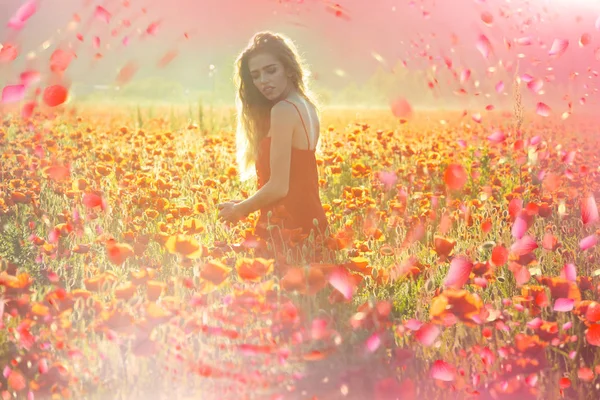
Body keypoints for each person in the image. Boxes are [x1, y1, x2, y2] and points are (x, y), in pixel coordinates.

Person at [217, 31, 332, 265]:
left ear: (289, 69)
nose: (263, 82)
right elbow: (298, 179)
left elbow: (280, 187)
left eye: (271, 70)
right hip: (311, 226)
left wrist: (239, 210)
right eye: (256, 75)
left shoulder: (283, 110)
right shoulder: (308, 106)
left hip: (289, 230)